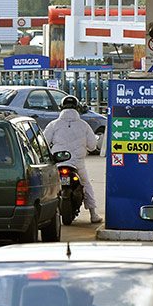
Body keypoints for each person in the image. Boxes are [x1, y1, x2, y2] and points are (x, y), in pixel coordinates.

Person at [44, 95, 101, 223]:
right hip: (77, 164)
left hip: (58, 162)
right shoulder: (84, 125)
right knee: (86, 184)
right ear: (77, 108)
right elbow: (92, 146)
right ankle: (93, 214)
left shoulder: (53, 124)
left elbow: (44, 143)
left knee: (49, 186)